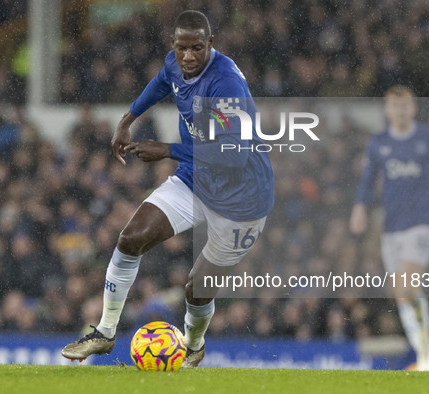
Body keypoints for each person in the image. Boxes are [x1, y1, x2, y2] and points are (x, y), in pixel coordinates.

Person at [61, 10, 274, 368]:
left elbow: (234, 156)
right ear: (173, 46)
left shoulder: (226, 85)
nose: (188, 57)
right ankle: (105, 331)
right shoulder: (175, 65)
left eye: (196, 48)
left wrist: (168, 150)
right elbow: (162, 82)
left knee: (196, 288)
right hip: (197, 178)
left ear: (211, 44)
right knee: (130, 238)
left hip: (242, 200)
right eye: (181, 48)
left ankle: (194, 346)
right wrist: (127, 120)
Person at [349, 85, 429, 371]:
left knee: (406, 287)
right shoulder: (378, 143)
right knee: (403, 293)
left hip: (422, 223)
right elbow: (368, 178)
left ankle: (427, 357)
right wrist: (360, 206)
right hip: (391, 227)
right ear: (387, 110)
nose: (400, 111)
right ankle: (426, 352)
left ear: (413, 108)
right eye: (394, 106)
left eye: (405, 106)